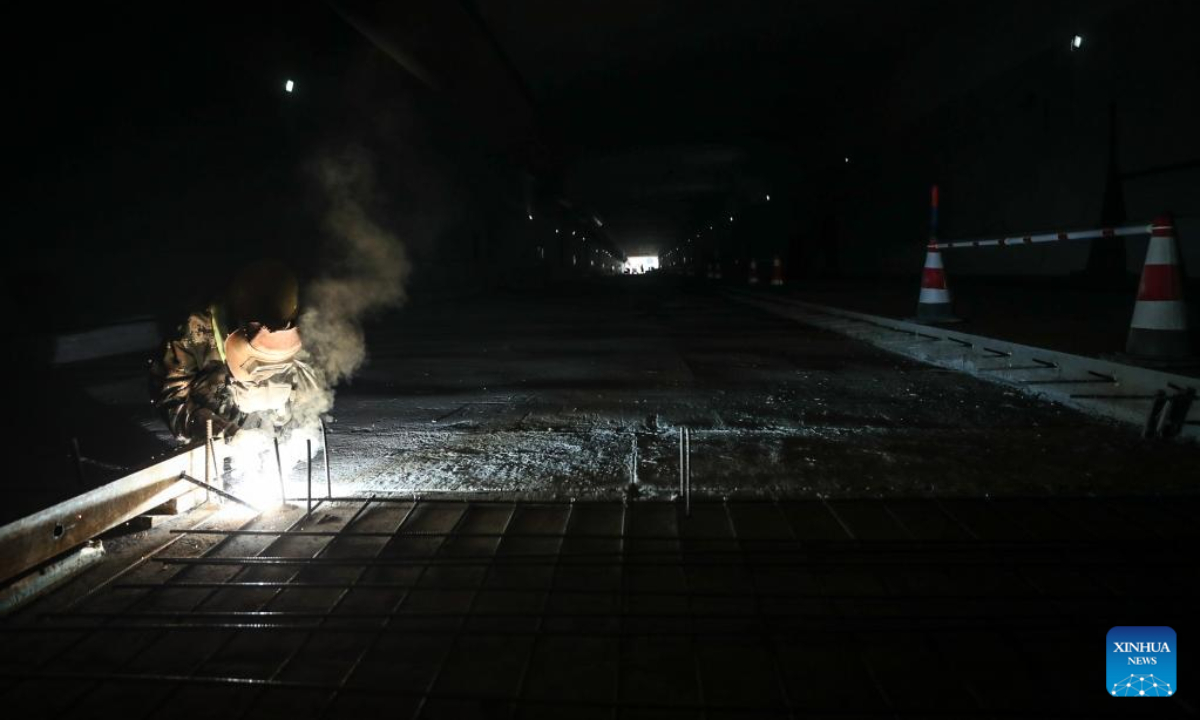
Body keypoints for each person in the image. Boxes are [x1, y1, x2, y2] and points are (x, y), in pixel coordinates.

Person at [150, 260, 313, 442]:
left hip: (262, 422)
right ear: (238, 324)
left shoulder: (292, 320)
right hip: (219, 415)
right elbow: (170, 397)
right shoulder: (195, 330)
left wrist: (291, 409)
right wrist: (221, 432)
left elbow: (311, 379)